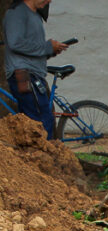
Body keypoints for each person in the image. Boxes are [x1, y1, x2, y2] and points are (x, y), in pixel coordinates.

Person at [3, 0, 69, 138]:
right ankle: (45, 158)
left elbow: (32, 48)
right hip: (25, 74)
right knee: (41, 122)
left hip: (35, 75)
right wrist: (47, 47)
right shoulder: (17, 13)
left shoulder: (35, 16)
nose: (49, 1)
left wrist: (51, 50)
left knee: (41, 121)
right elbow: (15, 43)